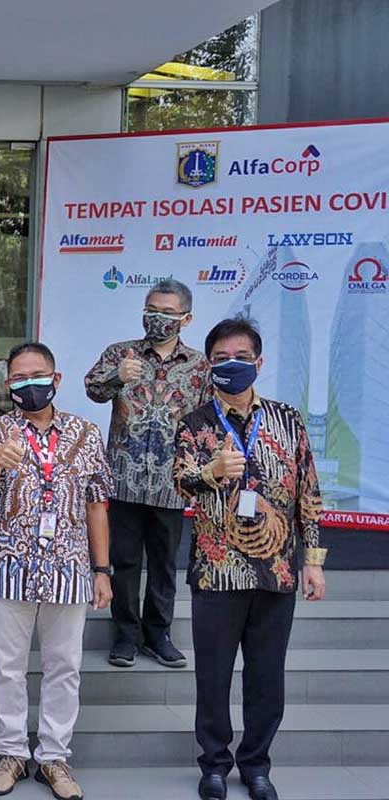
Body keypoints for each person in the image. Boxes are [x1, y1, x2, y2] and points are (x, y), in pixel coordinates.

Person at [174, 317, 325, 800]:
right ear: (208, 365)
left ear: (259, 362)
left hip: (276, 570)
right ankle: (214, 765)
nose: (230, 365)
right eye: (220, 359)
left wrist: (314, 560)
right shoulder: (194, 424)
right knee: (213, 676)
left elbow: (309, 493)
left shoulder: (286, 419)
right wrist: (211, 471)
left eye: (240, 357)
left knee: (266, 676)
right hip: (217, 571)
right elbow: (181, 484)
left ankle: (256, 764)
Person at [0, 342, 112, 800]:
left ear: (55, 379)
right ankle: (12, 753)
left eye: (37, 375)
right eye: (18, 377)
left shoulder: (87, 433)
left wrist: (102, 569)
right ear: (8, 384)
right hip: (8, 566)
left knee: (64, 666)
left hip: (68, 566)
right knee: (8, 667)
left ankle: (54, 757)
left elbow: (97, 504)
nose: (28, 383)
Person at [84, 278, 210, 670]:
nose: (158, 318)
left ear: (185, 318)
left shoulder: (199, 367)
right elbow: (93, 389)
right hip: (123, 479)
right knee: (123, 562)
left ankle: (158, 634)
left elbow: (208, 421)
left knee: (164, 564)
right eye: (152, 309)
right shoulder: (121, 353)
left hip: (172, 484)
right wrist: (117, 376)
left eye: (168, 313)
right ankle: (125, 635)